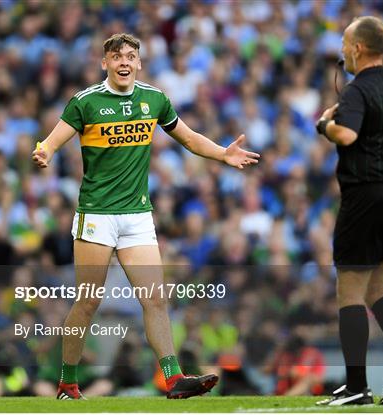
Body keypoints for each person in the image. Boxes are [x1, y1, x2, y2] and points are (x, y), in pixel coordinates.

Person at [32, 33, 260, 400]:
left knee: (154, 298)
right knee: (88, 302)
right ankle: (68, 384)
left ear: (139, 63)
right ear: (104, 63)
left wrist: (222, 154)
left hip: (137, 215)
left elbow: (187, 137)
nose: (124, 61)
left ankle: (173, 379)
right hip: (97, 215)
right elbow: (54, 139)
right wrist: (44, 152)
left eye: (131, 56)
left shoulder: (154, 99)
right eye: (116, 56)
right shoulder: (85, 102)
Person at [314, 17, 383, 406]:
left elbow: (347, 135)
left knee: (350, 291)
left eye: (346, 42)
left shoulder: (355, 91)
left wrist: (325, 124)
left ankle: (357, 387)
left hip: (366, 196)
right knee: (381, 289)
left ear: (359, 49)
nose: (343, 49)